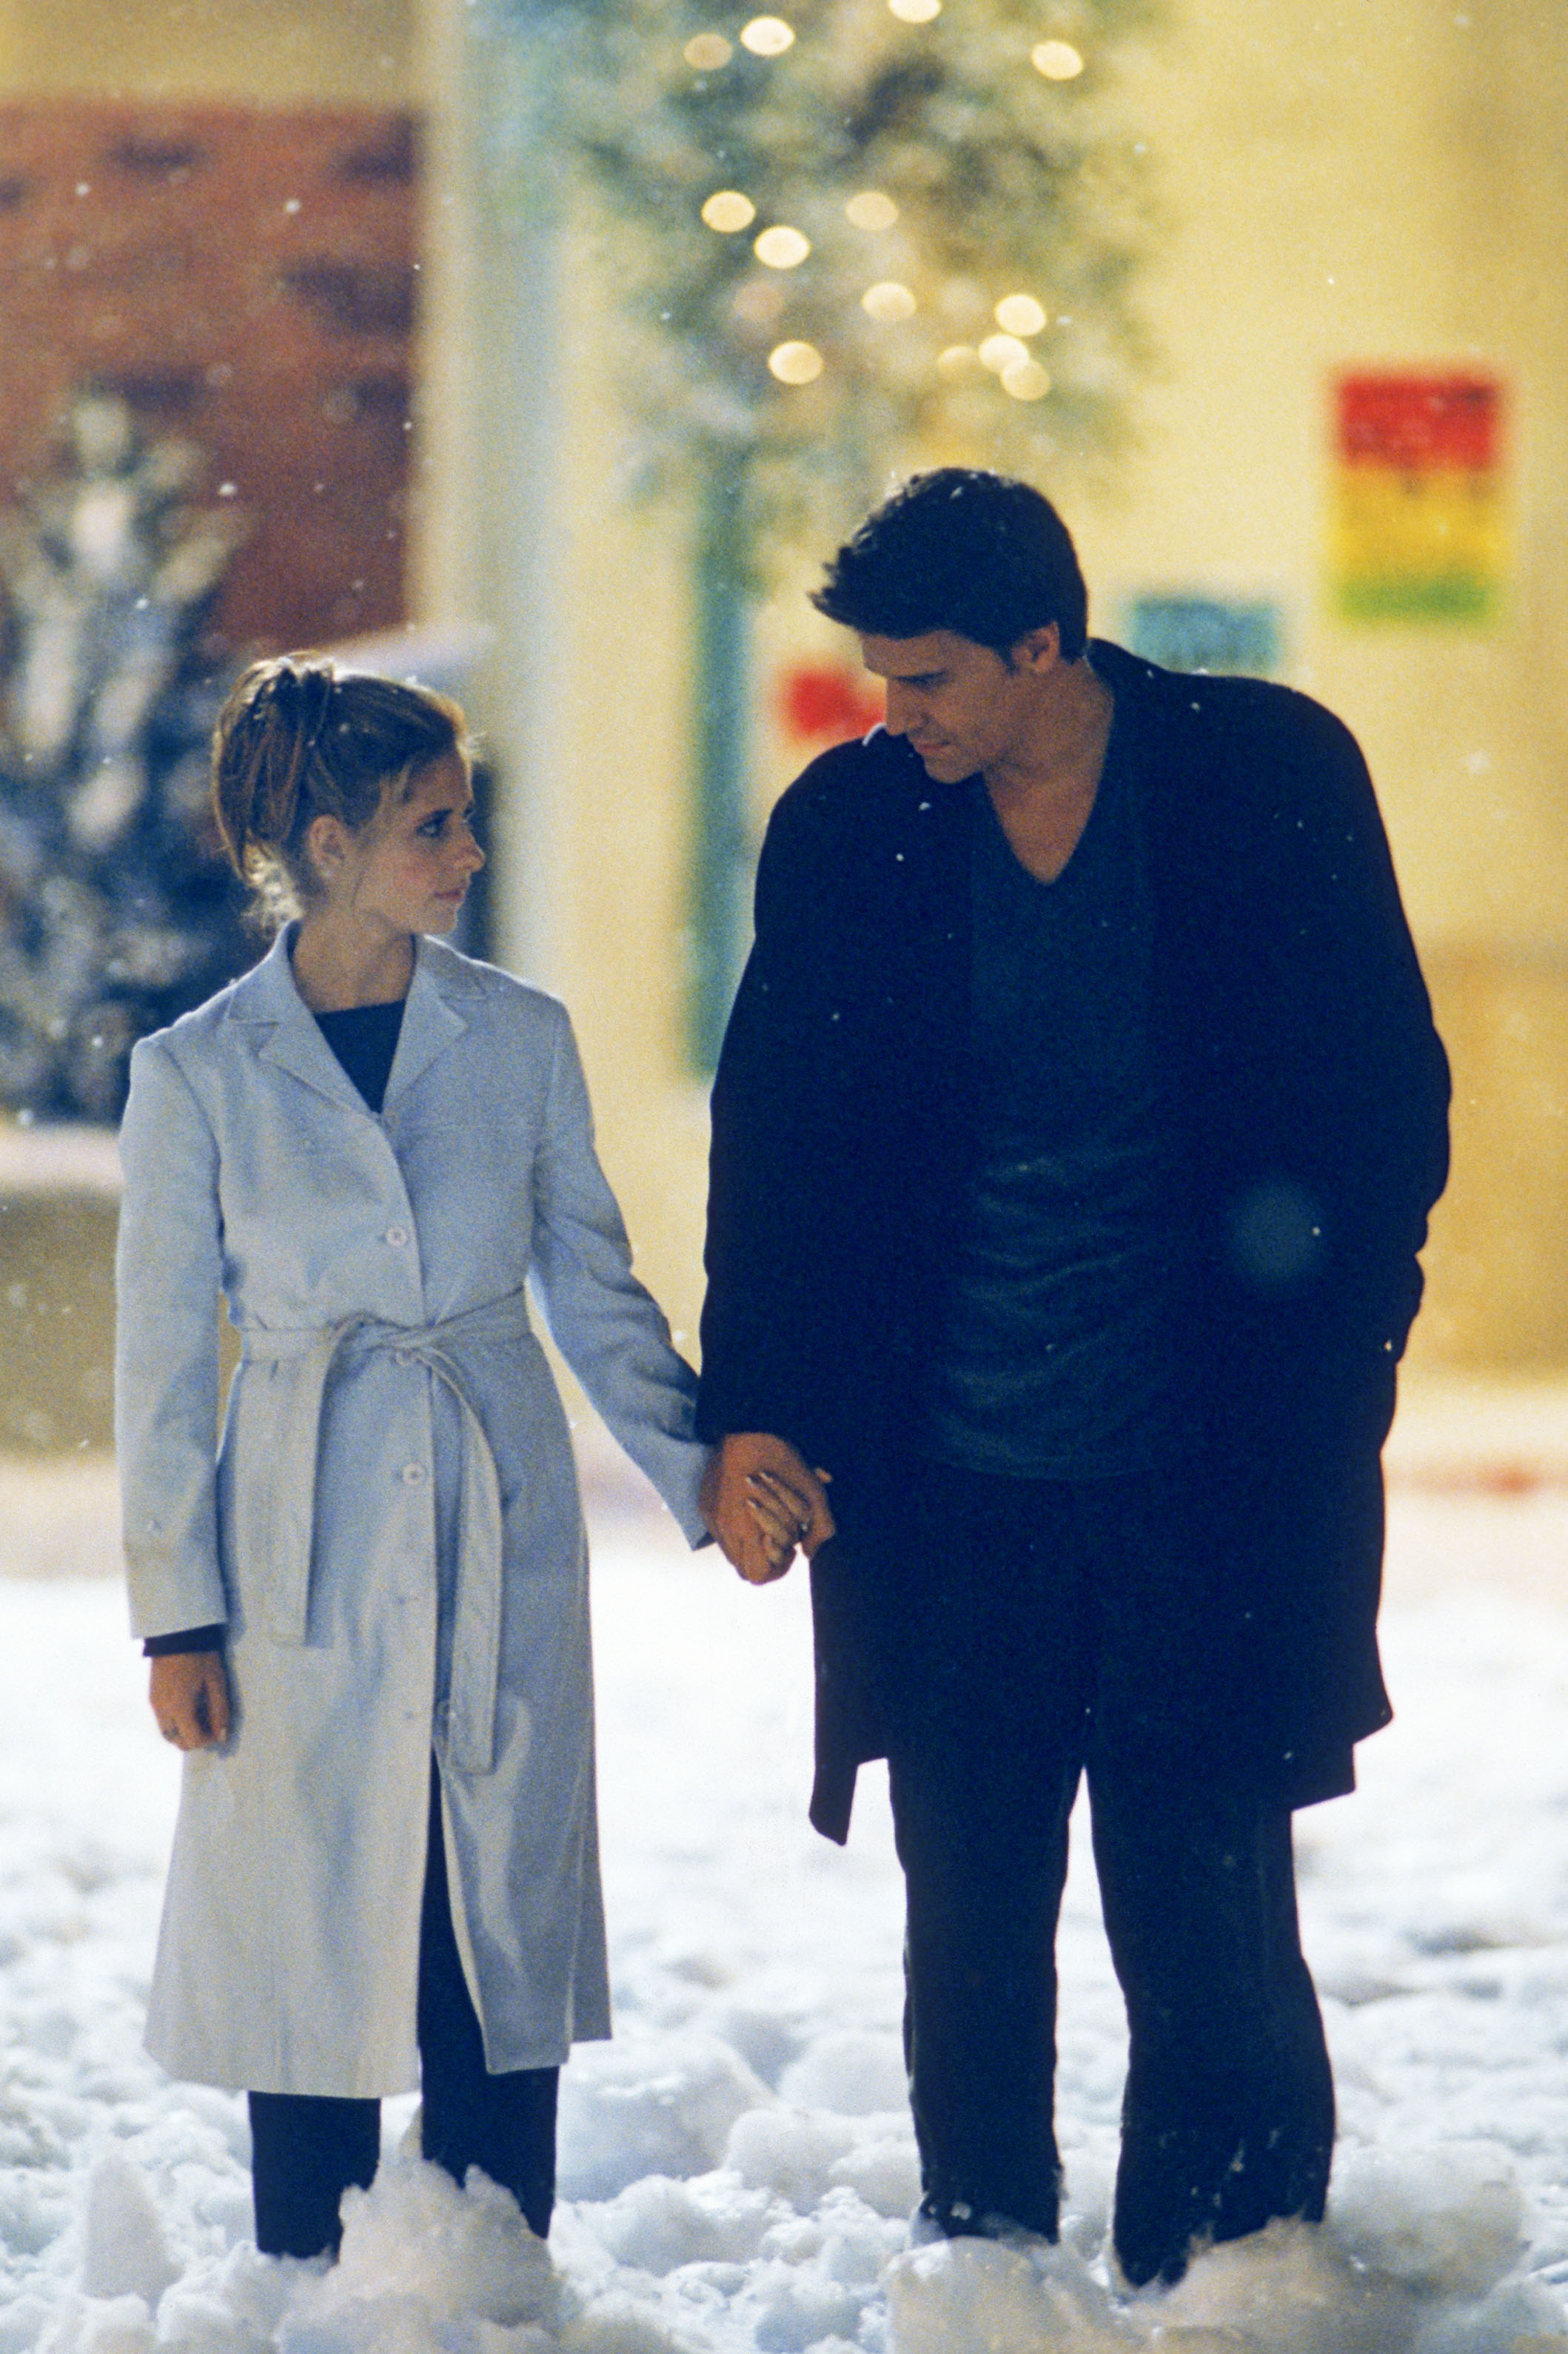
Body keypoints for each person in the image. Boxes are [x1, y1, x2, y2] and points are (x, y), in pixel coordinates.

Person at [696, 470, 1451, 2288]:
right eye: (881, 680)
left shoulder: (1265, 776)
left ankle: (1237, 2273)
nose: (897, 716)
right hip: (945, 1475)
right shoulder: (852, 828)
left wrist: (1337, 1362)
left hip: (1210, 1466)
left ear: (1045, 644)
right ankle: (985, 2268)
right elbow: (777, 1143)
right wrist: (756, 1408)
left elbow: (1384, 1103)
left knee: (1208, 1905)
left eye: (931, 678)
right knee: (967, 1905)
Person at [115, 657, 797, 2263]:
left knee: (493, 1913)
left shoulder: (519, 1038)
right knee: (310, 1929)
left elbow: (593, 1290)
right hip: (299, 1531)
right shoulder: (197, 1072)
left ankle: (499, 2276)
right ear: (329, 845)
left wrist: (705, 1468)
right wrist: (178, 1619)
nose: (469, 852)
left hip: (498, 1500)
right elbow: (160, 1369)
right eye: (434, 823)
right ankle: (307, 2280)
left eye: (467, 817)